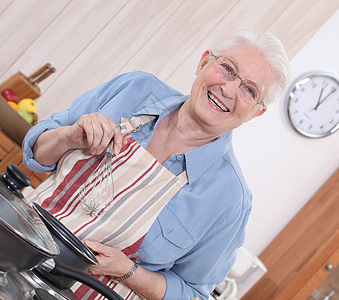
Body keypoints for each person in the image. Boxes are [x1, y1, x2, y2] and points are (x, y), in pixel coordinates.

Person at [23, 30, 290, 300]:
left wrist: (128, 271)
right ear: (204, 62)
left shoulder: (230, 200)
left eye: (249, 90)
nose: (229, 89)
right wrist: (68, 137)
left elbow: (193, 294)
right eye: (228, 69)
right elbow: (35, 153)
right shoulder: (135, 90)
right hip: (15, 253)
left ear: (257, 112)